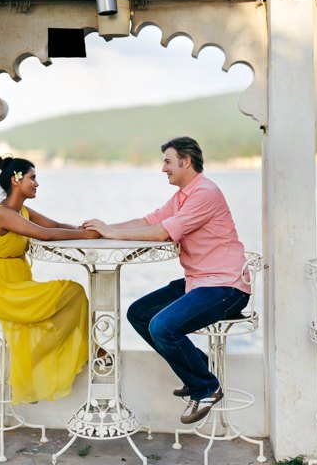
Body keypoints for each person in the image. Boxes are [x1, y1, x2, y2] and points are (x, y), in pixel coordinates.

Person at [83, 136, 250, 425]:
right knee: (139, 314)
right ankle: (199, 365)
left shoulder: (205, 193)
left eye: (168, 162)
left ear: (186, 162)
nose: (164, 169)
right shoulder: (184, 195)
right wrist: (105, 229)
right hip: (199, 281)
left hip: (226, 286)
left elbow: (162, 233)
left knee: (162, 326)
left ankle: (206, 387)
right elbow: (150, 221)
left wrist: (113, 234)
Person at [0, 156, 100, 405]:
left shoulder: (21, 211)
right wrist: (84, 236)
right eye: (32, 178)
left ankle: (37, 365)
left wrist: (82, 228)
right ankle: (88, 351)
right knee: (73, 292)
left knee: (72, 295)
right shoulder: (3, 214)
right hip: (1, 288)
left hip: (19, 282)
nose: (37, 183)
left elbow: (54, 225)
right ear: (16, 180)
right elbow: (45, 234)